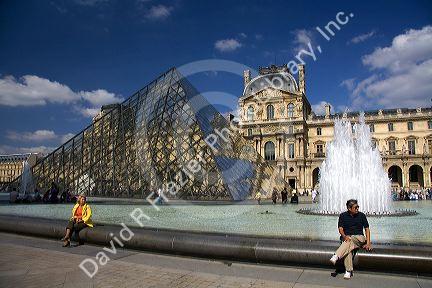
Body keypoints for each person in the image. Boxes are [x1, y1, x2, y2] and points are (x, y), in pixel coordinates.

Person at [329, 199, 372, 279]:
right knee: (348, 248)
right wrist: (344, 236)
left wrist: (368, 243)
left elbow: (367, 229)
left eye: (358, 207)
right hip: (347, 238)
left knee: (349, 241)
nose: (357, 209)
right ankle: (348, 271)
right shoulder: (342, 216)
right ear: (349, 208)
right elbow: (340, 229)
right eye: (355, 207)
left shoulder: (362, 215)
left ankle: (337, 255)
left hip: (359, 238)